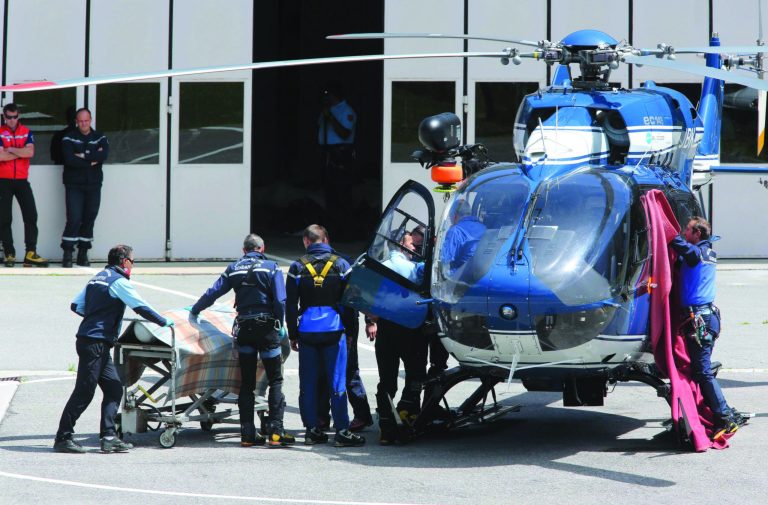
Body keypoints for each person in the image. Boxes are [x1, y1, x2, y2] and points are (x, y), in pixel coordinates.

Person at [54, 244, 173, 453]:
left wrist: (97, 318)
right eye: (133, 262)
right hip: (95, 342)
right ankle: (63, 437)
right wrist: (164, 322)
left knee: (113, 388)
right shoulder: (119, 281)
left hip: (93, 340)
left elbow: (76, 305)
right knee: (84, 391)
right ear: (124, 261)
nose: (132, 267)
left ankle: (108, 437)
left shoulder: (97, 277)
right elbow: (141, 306)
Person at [190, 234, 294, 447]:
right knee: (275, 380)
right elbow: (281, 300)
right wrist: (279, 324)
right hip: (267, 330)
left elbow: (213, 293)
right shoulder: (272, 268)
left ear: (244, 250)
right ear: (262, 248)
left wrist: (195, 310)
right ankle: (276, 431)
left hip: (244, 330)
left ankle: (247, 434)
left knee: (246, 383)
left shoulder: (233, 268)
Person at [286, 224, 365, 447]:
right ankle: (342, 431)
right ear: (326, 240)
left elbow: (290, 306)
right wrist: (350, 331)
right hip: (334, 331)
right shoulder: (341, 265)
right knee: (337, 383)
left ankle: (312, 430)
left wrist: (293, 334)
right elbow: (350, 303)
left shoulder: (296, 267)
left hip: (307, 333)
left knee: (308, 384)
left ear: (306, 242)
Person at [669, 217, 741, 440]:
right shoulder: (708, 253)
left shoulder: (694, 253)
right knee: (702, 370)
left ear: (697, 233)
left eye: (688, 230)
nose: (684, 232)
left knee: (702, 372)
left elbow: (673, 239)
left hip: (700, 318)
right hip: (707, 317)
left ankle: (724, 416)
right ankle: (721, 412)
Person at [366, 230, 428, 445]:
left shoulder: (378, 267)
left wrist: (374, 319)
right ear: (402, 245)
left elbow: (368, 305)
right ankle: (406, 414)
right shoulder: (412, 268)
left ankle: (386, 427)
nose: (415, 249)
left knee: (387, 381)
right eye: (412, 245)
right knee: (415, 375)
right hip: (411, 330)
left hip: (386, 332)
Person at [316, 233, 373, 433]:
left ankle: (362, 415)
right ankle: (322, 417)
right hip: (323, 324)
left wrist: (368, 320)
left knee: (349, 370)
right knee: (323, 371)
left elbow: (359, 293)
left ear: (325, 241)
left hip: (345, 323)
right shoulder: (309, 263)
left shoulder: (344, 263)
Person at [0, 103, 48, 267]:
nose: (12, 120)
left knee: (31, 215)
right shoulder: (0, 132)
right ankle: (9, 254)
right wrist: (19, 152)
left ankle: (31, 252)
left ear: (18, 116)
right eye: (8, 117)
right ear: (4, 117)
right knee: (4, 218)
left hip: (21, 180)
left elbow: (30, 152)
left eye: (14, 117)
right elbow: (1, 157)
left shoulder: (26, 132)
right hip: (3, 180)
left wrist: (10, 149)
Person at [60, 108, 109, 268]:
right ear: (76, 121)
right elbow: (68, 159)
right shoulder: (69, 137)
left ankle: (83, 253)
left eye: (86, 120)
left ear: (91, 119)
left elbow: (103, 156)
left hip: (94, 184)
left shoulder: (100, 136)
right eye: (80, 121)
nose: (83, 124)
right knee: (74, 217)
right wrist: (91, 160)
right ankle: (67, 253)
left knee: (89, 217)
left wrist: (82, 156)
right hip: (74, 184)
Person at [318, 82, 356, 238]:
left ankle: (346, 230)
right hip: (327, 153)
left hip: (341, 154)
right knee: (330, 194)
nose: (327, 98)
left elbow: (344, 133)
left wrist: (330, 116)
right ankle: (332, 228)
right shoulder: (327, 110)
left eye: (329, 94)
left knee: (342, 193)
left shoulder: (346, 111)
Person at [440, 199, 486, 274]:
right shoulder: (483, 227)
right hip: (480, 274)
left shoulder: (455, 231)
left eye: (450, 217)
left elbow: (445, 260)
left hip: (458, 277)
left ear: (454, 216)